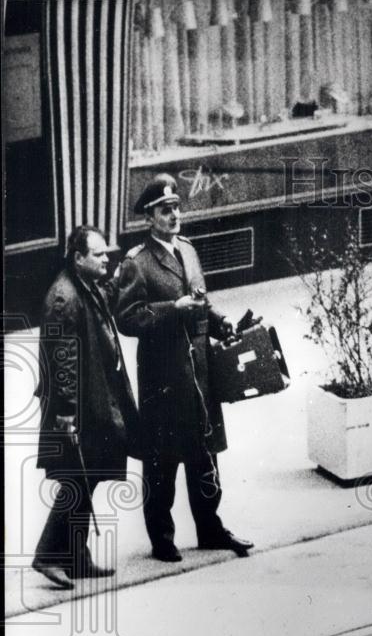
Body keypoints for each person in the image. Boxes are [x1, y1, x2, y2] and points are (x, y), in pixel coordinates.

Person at [116, 174, 253, 562]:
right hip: (164, 377)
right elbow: (126, 318)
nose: (174, 215)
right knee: (163, 461)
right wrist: (170, 310)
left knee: (204, 454)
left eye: (176, 207)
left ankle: (210, 528)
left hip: (199, 371)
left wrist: (220, 320)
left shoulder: (188, 250)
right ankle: (162, 538)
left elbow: (200, 299)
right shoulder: (137, 264)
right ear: (149, 218)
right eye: (165, 210)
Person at [33, 226, 140, 589]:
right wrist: (66, 412)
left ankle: (76, 557)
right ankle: (48, 555)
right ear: (78, 258)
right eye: (99, 255)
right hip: (74, 411)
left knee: (87, 476)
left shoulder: (83, 285)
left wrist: (124, 267)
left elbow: (105, 299)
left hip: (90, 404)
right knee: (77, 479)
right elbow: (62, 360)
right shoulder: (64, 297)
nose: (105, 258)